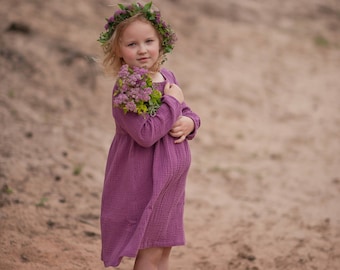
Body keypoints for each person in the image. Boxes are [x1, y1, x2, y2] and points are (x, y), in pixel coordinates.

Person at [98, 2, 200, 269]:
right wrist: (172, 104)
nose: (142, 50)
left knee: (163, 249)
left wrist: (190, 121)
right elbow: (146, 134)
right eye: (132, 44)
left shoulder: (166, 76)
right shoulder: (128, 87)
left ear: (161, 42)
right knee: (150, 251)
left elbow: (185, 110)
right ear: (118, 50)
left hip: (171, 180)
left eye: (148, 41)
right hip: (144, 179)